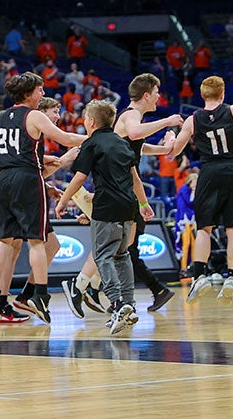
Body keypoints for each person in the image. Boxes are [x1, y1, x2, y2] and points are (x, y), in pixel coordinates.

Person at [60, 73, 182, 318]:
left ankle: (92, 287)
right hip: (114, 189)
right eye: (157, 92)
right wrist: (167, 121)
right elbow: (135, 135)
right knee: (114, 247)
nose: (160, 96)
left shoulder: (131, 121)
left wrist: (165, 149)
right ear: (146, 94)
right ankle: (85, 286)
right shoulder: (130, 116)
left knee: (120, 247)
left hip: (124, 188)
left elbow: (137, 148)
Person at [0, 72, 85, 325]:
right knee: (37, 241)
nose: (43, 94)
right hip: (27, 178)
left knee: (3, 240)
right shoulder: (34, 115)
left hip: (4, 179)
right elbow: (65, 139)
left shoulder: (2, 117)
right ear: (29, 93)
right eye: (40, 90)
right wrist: (100, 136)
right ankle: (39, 295)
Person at [56, 99, 154, 334]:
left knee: (103, 256)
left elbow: (80, 177)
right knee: (122, 255)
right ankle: (129, 303)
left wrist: (62, 200)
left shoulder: (92, 143)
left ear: (90, 121)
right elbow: (135, 179)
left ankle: (117, 303)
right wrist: (144, 204)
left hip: (106, 206)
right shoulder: (123, 144)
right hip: (129, 206)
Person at [171, 79, 233, 305]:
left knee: (204, 228)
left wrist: (171, 138)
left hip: (209, 172)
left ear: (203, 96)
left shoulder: (193, 120)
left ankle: (200, 275)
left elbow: (174, 151)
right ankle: (231, 277)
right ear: (222, 94)